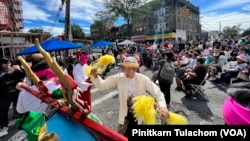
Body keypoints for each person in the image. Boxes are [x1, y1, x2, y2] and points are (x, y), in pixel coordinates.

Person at [90, 56, 169, 137]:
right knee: (120, 137)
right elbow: (103, 85)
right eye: (125, 68)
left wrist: (162, 107)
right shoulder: (119, 77)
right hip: (124, 116)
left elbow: (158, 93)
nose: (126, 71)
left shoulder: (143, 79)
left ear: (135, 69)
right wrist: (96, 76)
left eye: (129, 69)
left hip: (139, 117)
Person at [0, 57, 26, 137]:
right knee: (3, 111)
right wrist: (7, 73)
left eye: (9, 63)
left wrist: (20, 69)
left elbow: (23, 75)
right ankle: (4, 127)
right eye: (6, 63)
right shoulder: (2, 71)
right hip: (4, 94)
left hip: (15, 92)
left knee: (21, 107)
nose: (8, 65)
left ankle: (24, 122)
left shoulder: (13, 69)